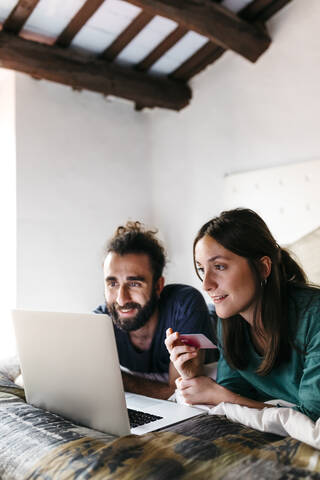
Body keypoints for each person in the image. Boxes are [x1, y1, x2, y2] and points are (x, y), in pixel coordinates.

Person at [165, 208, 320, 421]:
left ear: (263, 267)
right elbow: (234, 390)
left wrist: (221, 396)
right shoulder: (230, 319)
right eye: (202, 269)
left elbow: (313, 417)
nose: (206, 284)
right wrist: (196, 379)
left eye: (219, 266)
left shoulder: (314, 317)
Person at [95, 221, 215, 400]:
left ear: (158, 286)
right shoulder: (99, 323)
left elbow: (178, 394)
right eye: (112, 283)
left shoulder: (184, 305)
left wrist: (118, 379)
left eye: (134, 283)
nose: (121, 299)